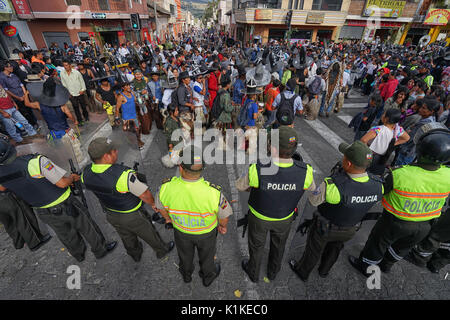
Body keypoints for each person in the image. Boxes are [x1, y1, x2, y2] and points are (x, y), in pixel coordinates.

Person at [349, 123, 450, 276]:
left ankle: (366, 267)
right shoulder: (447, 174)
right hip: (424, 226)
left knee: (377, 244)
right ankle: (387, 266)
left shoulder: (400, 174)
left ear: (420, 150)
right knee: (401, 248)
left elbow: (381, 192)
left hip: (395, 222)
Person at [0, 139, 117, 262]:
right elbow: (62, 183)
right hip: (65, 203)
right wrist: (72, 178)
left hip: (42, 210)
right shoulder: (36, 161)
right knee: (87, 226)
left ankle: (79, 254)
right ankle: (101, 249)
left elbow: (3, 188)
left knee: (65, 234)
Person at [289, 141, 383, 280]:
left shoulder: (333, 185)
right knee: (335, 248)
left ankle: (303, 271)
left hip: (325, 227)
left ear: (349, 163)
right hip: (350, 228)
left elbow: (313, 201)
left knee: (313, 249)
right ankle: (324, 271)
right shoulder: (378, 185)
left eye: (344, 156)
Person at [236, 126, 315, 282]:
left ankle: (253, 272)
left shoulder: (258, 168)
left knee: (256, 246)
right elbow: (311, 189)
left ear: (272, 148)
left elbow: (241, 186)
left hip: (259, 217)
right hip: (284, 217)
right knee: (279, 246)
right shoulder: (305, 171)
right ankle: (273, 272)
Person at [82, 137, 175, 263]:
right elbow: (144, 194)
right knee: (148, 232)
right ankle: (162, 250)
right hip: (132, 215)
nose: (117, 152)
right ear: (106, 156)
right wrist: (154, 204)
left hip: (111, 214)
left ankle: (135, 254)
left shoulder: (85, 174)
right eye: (114, 151)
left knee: (126, 236)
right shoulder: (123, 176)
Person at [155, 145, 233, 286]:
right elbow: (224, 216)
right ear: (202, 169)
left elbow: (160, 207)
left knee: (184, 255)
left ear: (180, 167)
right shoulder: (214, 193)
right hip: (206, 234)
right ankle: (207, 277)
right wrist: (223, 227)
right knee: (208, 256)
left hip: (181, 232)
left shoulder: (166, 188)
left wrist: (168, 219)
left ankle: (186, 275)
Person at [0, 133, 52, 252]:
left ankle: (18, 242)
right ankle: (35, 241)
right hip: (6, 197)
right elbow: (2, 188)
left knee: (8, 221)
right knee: (23, 216)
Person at [360, 108, 410, 175]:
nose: (382, 115)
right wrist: (392, 144)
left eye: (384, 114)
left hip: (371, 155)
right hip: (384, 157)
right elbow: (407, 138)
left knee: (364, 172)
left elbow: (363, 140)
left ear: (386, 118)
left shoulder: (377, 129)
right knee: (376, 174)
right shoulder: (398, 130)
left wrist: (367, 153)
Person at [60, 59, 89, 126]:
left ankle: (86, 116)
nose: (65, 67)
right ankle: (80, 120)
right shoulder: (62, 73)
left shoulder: (76, 72)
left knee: (83, 106)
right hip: (71, 94)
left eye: (66, 65)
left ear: (70, 65)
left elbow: (82, 81)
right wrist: (67, 93)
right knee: (76, 107)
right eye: (64, 65)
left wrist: (83, 89)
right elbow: (64, 84)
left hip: (79, 92)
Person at [115, 82, 144, 148]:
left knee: (138, 129)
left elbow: (136, 101)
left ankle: (138, 141)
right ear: (123, 88)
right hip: (127, 118)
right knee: (131, 133)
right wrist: (117, 118)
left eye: (129, 86)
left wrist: (140, 101)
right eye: (126, 86)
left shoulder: (132, 93)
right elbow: (117, 108)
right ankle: (136, 143)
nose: (129, 87)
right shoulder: (121, 96)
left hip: (134, 116)